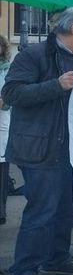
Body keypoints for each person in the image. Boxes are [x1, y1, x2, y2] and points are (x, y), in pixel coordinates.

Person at [2, 7, 73, 275]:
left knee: (66, 209)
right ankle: (23, 269)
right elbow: (11, 94)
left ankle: (57, 259)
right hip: (39, 147)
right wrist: (56, 85)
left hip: (70, 148)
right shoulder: (33, 55)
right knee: (42, 210)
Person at [0, 35, 11, 224]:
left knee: (1, 168)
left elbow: (12, 94)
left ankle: (1, 211)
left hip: (2, 122)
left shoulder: (9, 69)